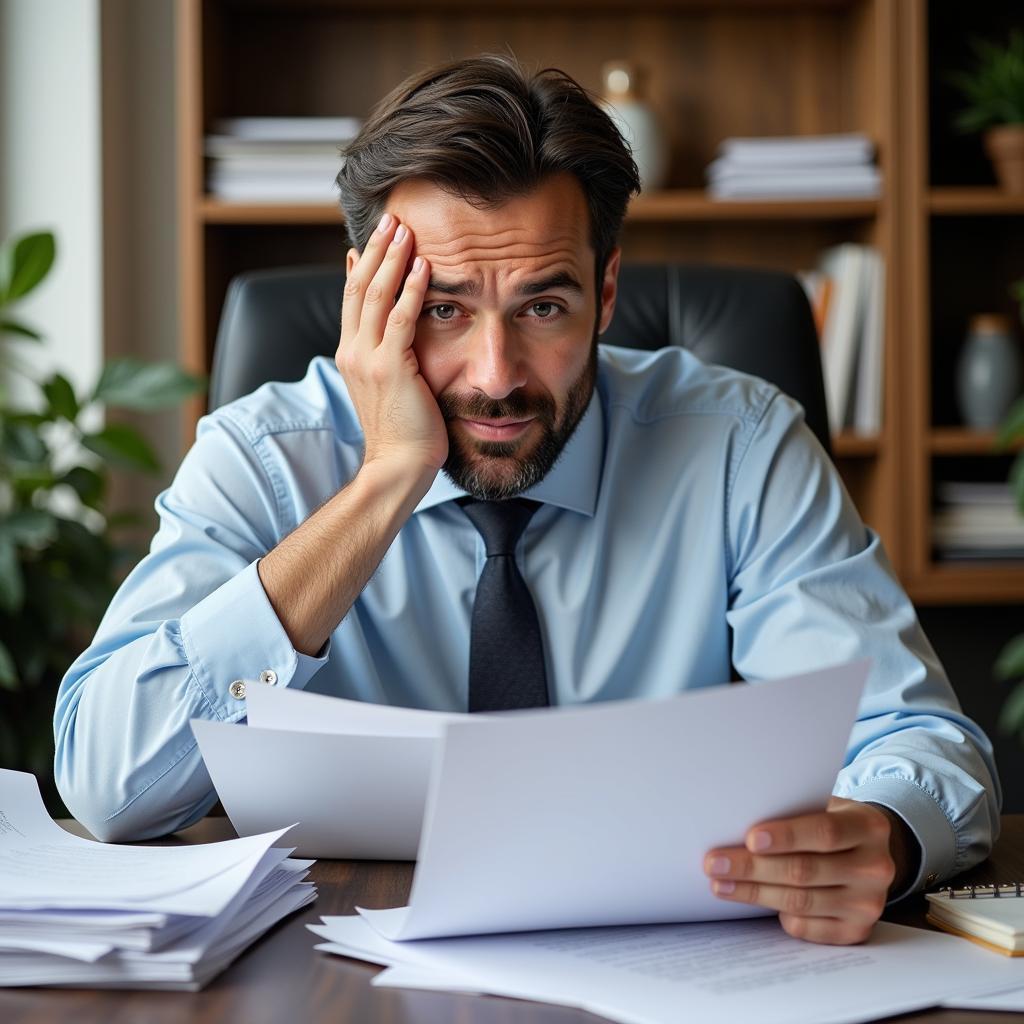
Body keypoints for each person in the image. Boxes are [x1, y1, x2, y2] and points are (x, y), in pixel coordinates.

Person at [54, 54, 999, 946]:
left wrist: (885, 834)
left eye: (544, 306)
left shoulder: (738, 446)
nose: (495, 376)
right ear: (366, 303)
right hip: (340, 968)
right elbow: (109, 783)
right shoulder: (262, 456)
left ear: (608, 289)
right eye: (443, 308)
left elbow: (920, 739)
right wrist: (386, 481)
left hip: (672, 959)